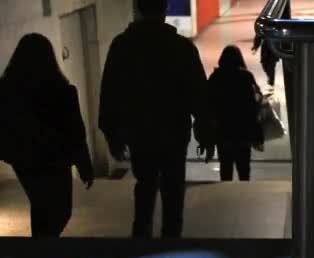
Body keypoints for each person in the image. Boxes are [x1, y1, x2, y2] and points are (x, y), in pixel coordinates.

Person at [99, 0, 209, 238]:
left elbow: (110, 92)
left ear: (137, 9)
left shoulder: (122, 46)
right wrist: (206, 132)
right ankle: (171, 242)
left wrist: (111, 133)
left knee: (145, 185)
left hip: (139, 132)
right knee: (173, 189)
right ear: (165, 10)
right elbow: (199, 94)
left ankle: (141, 239)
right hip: (174, 132)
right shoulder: (181, 47)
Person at [0, 33, 94, 237]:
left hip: (25, 160)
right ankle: (43, 251)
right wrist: (84, 165)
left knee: (41, 204)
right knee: (60, 212)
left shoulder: (7, 91)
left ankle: (41, 249)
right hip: (56, 160)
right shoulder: (63, 92)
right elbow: (76, 133)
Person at [208, 45, 263, 181]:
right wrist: (257, 131)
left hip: (223, 131)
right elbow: (253, 105)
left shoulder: (216, 77)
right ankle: (244, 196)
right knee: (244, 171)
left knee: (225, 170)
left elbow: (208, 102)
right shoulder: (246, 77)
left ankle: (226, 197)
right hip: (243, 132)